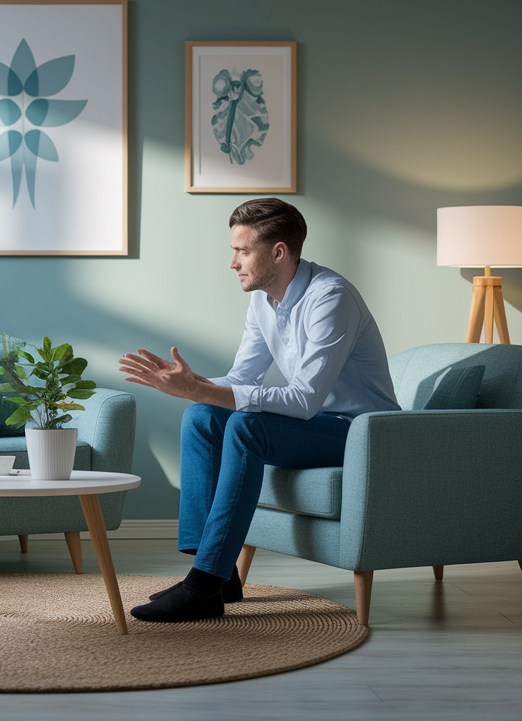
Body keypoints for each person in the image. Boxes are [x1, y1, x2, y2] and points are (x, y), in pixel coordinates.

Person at [118, 198, 400, 622]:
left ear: (278, 252)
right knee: (200, 417)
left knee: (247, 427)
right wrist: (189, 386)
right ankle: (220, 577)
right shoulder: (264, 300)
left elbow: (304, 400)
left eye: (242, 250)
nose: (233, 262)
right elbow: (242, 378)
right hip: (319, 426)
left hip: (360, 432)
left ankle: (202, 586)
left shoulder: (331, 298)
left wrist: (199, 389)